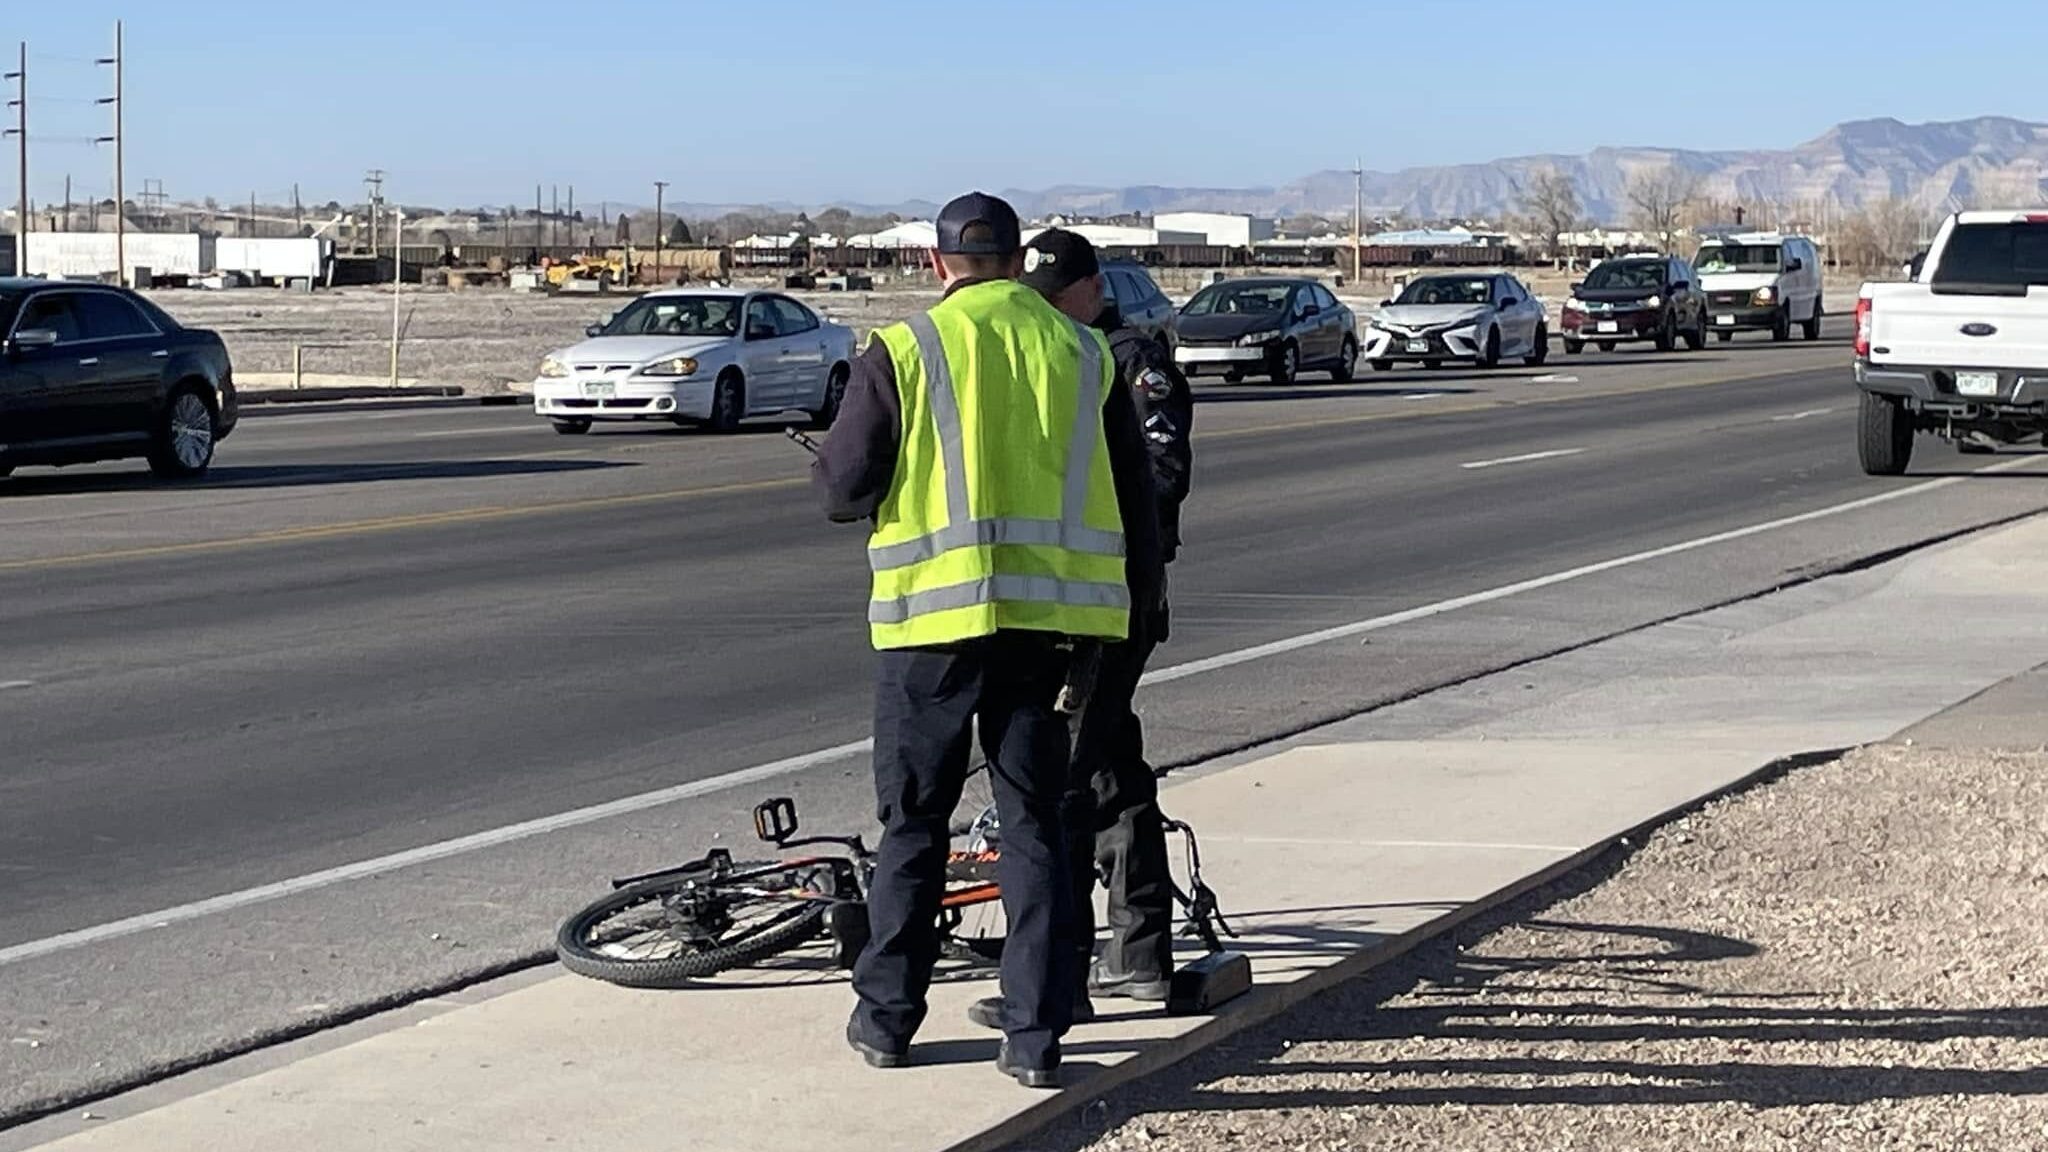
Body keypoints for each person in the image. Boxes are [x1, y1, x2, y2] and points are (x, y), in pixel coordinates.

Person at [812, 193, 1163, 1089]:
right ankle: (1036, 1035)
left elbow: (843, 488)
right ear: (1016, 260)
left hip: (932, 629)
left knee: (914, 825)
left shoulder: (902, 349)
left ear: (936, 265)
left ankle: (888, 1016)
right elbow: (1137, 496)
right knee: (1035, 822)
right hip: (1048, 628)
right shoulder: (1084, 353)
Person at [963, 229, 1193, 1034]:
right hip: (1059, 606)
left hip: (1109, 605)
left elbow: (1158, 480)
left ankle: (1059, 981)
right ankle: (1138, 954)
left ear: (1092, 289)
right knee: (1107, 769)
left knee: (1062, 790)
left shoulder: (1130, 361)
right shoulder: (1052, 353)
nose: (1050, 310)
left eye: (1059, 296)